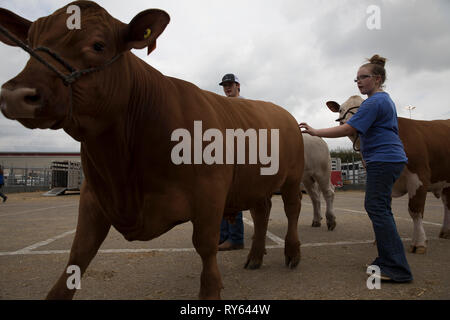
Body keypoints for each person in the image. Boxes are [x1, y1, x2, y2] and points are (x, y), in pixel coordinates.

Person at [299, 55, 413, 283]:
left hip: (383, 159)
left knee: (377, 209)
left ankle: (397, 267)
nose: (359, 82)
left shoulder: (374, 102)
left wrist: (315, 132)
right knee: (381, 208)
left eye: (364, 77)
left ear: (377, 78)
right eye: (356, 79)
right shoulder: (383, 100)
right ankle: (387, 259)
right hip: (388, 158)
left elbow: (348, 128)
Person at [217, 73, 244, 251]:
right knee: (221, 197)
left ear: (237, 86)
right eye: (225, 85)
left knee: (233, 196)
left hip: (239, 154)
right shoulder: (222, 104)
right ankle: (223, 237)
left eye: (230, 84)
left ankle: (235, 239)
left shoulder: (243, 105)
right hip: (225, 153)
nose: (227, 87)